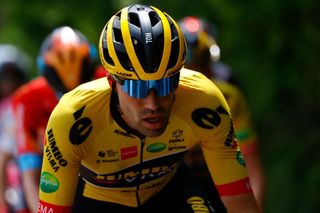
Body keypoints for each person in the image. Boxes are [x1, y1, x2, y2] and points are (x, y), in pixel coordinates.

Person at [37, 4, 260, 213]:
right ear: (112, 82)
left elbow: (242, 205)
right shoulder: (71, 117)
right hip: (97, 202)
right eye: (137, 88)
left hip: (170, 190)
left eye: (164, 85)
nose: (152, 104)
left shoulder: (204, 100)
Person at [179, 16, 266, 210]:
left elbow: (250, 161)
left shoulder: (229, 91)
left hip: (221, 175)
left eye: (204, 66)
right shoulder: (155, 98)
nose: (198, 78)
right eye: (186, 70)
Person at [11, 26, 99, 213]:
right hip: (49, 172)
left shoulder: (108, 80)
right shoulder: (26, 99)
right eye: (63, 95)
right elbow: (29, 173)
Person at [0, 44, 31, 213]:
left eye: (12, 77)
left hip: (19, 171)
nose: (8, 83)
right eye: (4, 78)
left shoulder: (21, 103)